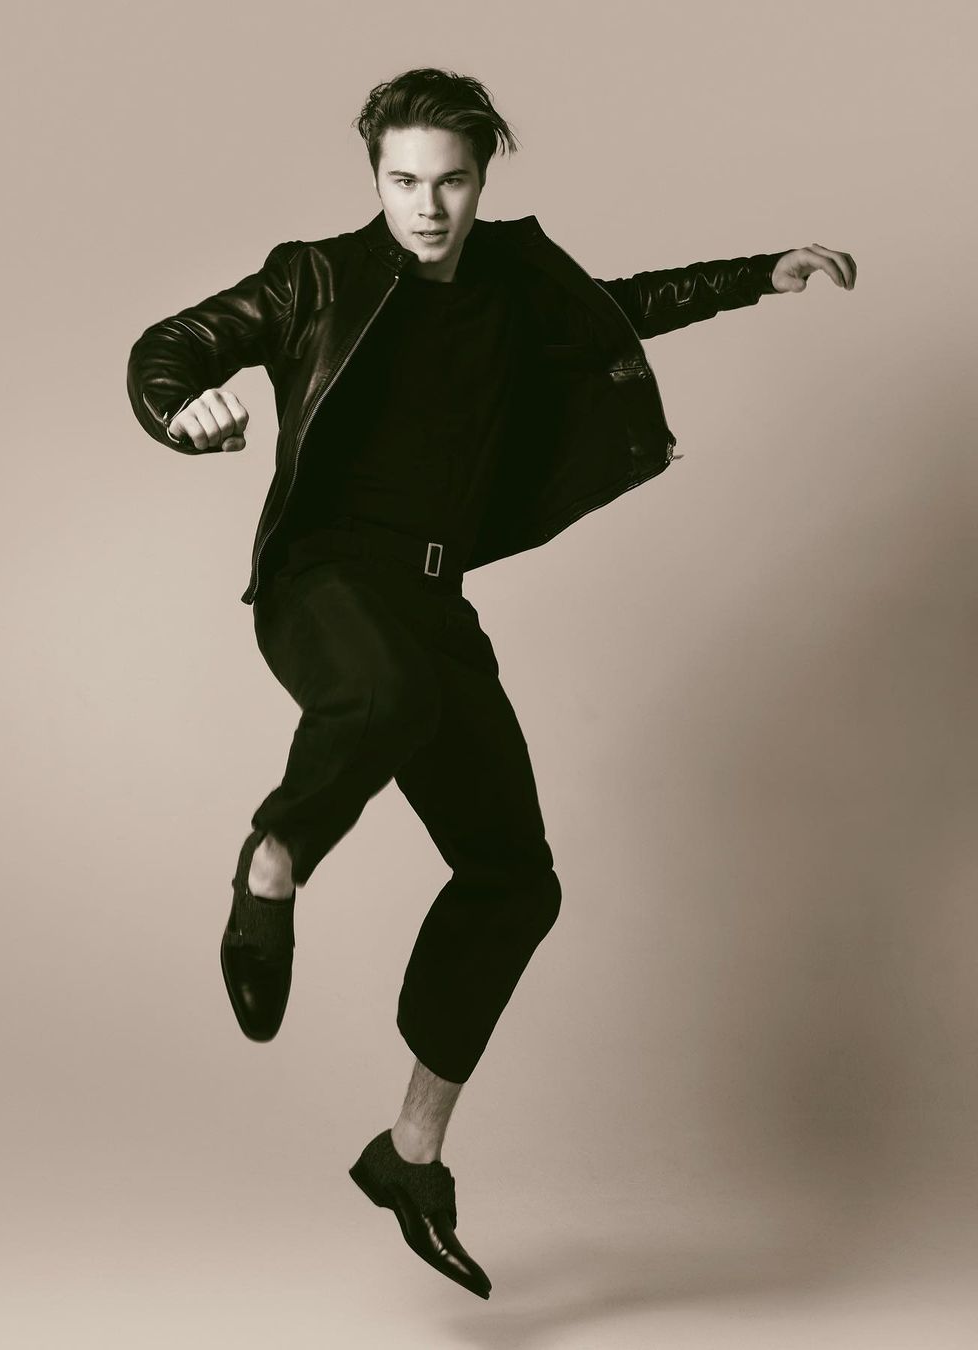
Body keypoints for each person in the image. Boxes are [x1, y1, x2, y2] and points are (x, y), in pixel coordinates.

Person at [125, 67, 856, 1300]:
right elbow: (175, 347)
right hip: (323, 582)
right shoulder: (316, 277)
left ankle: (410, 1155)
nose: (426, 207)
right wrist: (176, 406)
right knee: (385, 698)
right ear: (375, 177)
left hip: (431, 603)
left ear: (483, 178)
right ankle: (273, 860)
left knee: (518, 880)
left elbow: (621, 308)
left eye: (450, 182)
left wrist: (759, 274)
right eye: (403, 181)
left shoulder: (516, 281)